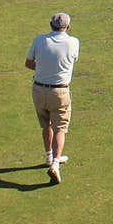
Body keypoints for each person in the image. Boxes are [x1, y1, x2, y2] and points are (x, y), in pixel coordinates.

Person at [26, 12, 80, 184]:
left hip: (39, 90)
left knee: (46, 124)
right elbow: (72, 61)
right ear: (68, 27)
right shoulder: (73, 42)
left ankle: (49, 157)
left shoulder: (40, 40)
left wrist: (43, 67)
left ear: (51, 24)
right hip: (60, 93)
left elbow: (28, 63)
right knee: (60, 128)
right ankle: (55, 163)